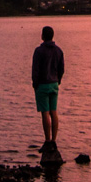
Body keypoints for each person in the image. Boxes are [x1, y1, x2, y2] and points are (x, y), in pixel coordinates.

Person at [31, 24, 65, 159]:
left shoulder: (39, 51)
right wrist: (58, 80)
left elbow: (35, 69)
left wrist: (35, 83)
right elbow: (62, 68)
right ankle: (54, 140)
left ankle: (47, 140)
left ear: (43, 36)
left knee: (45, 113)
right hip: (54, 83)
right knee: (54, 112)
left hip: (43, 85)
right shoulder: (58, 51)